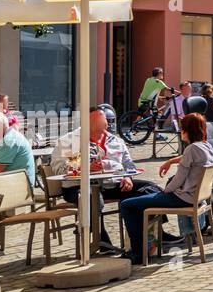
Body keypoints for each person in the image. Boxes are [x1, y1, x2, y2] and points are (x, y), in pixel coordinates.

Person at [49, 106, 170, 248]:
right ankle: (100, 241)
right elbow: (59, 168)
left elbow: (129, 165)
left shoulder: (115, 141)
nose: (103, 122)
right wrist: (84, 167)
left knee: (150, 188)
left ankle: (157, 234)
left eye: (104, 119)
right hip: (79, 187)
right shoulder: (70, 141)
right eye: (98, 119)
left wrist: (128, 177)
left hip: (112, 184)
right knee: (92, 198)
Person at [119, 113, 213, 264]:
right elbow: (186, 159)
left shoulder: (191, 149)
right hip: (197, 198)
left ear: (186, 131)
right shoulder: (206, 146)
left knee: (127, 205)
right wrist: (171, 161)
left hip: (183, 198)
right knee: (147, 195)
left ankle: (138, 253)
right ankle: (150, 243)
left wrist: (165, 191)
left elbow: (179, 179)